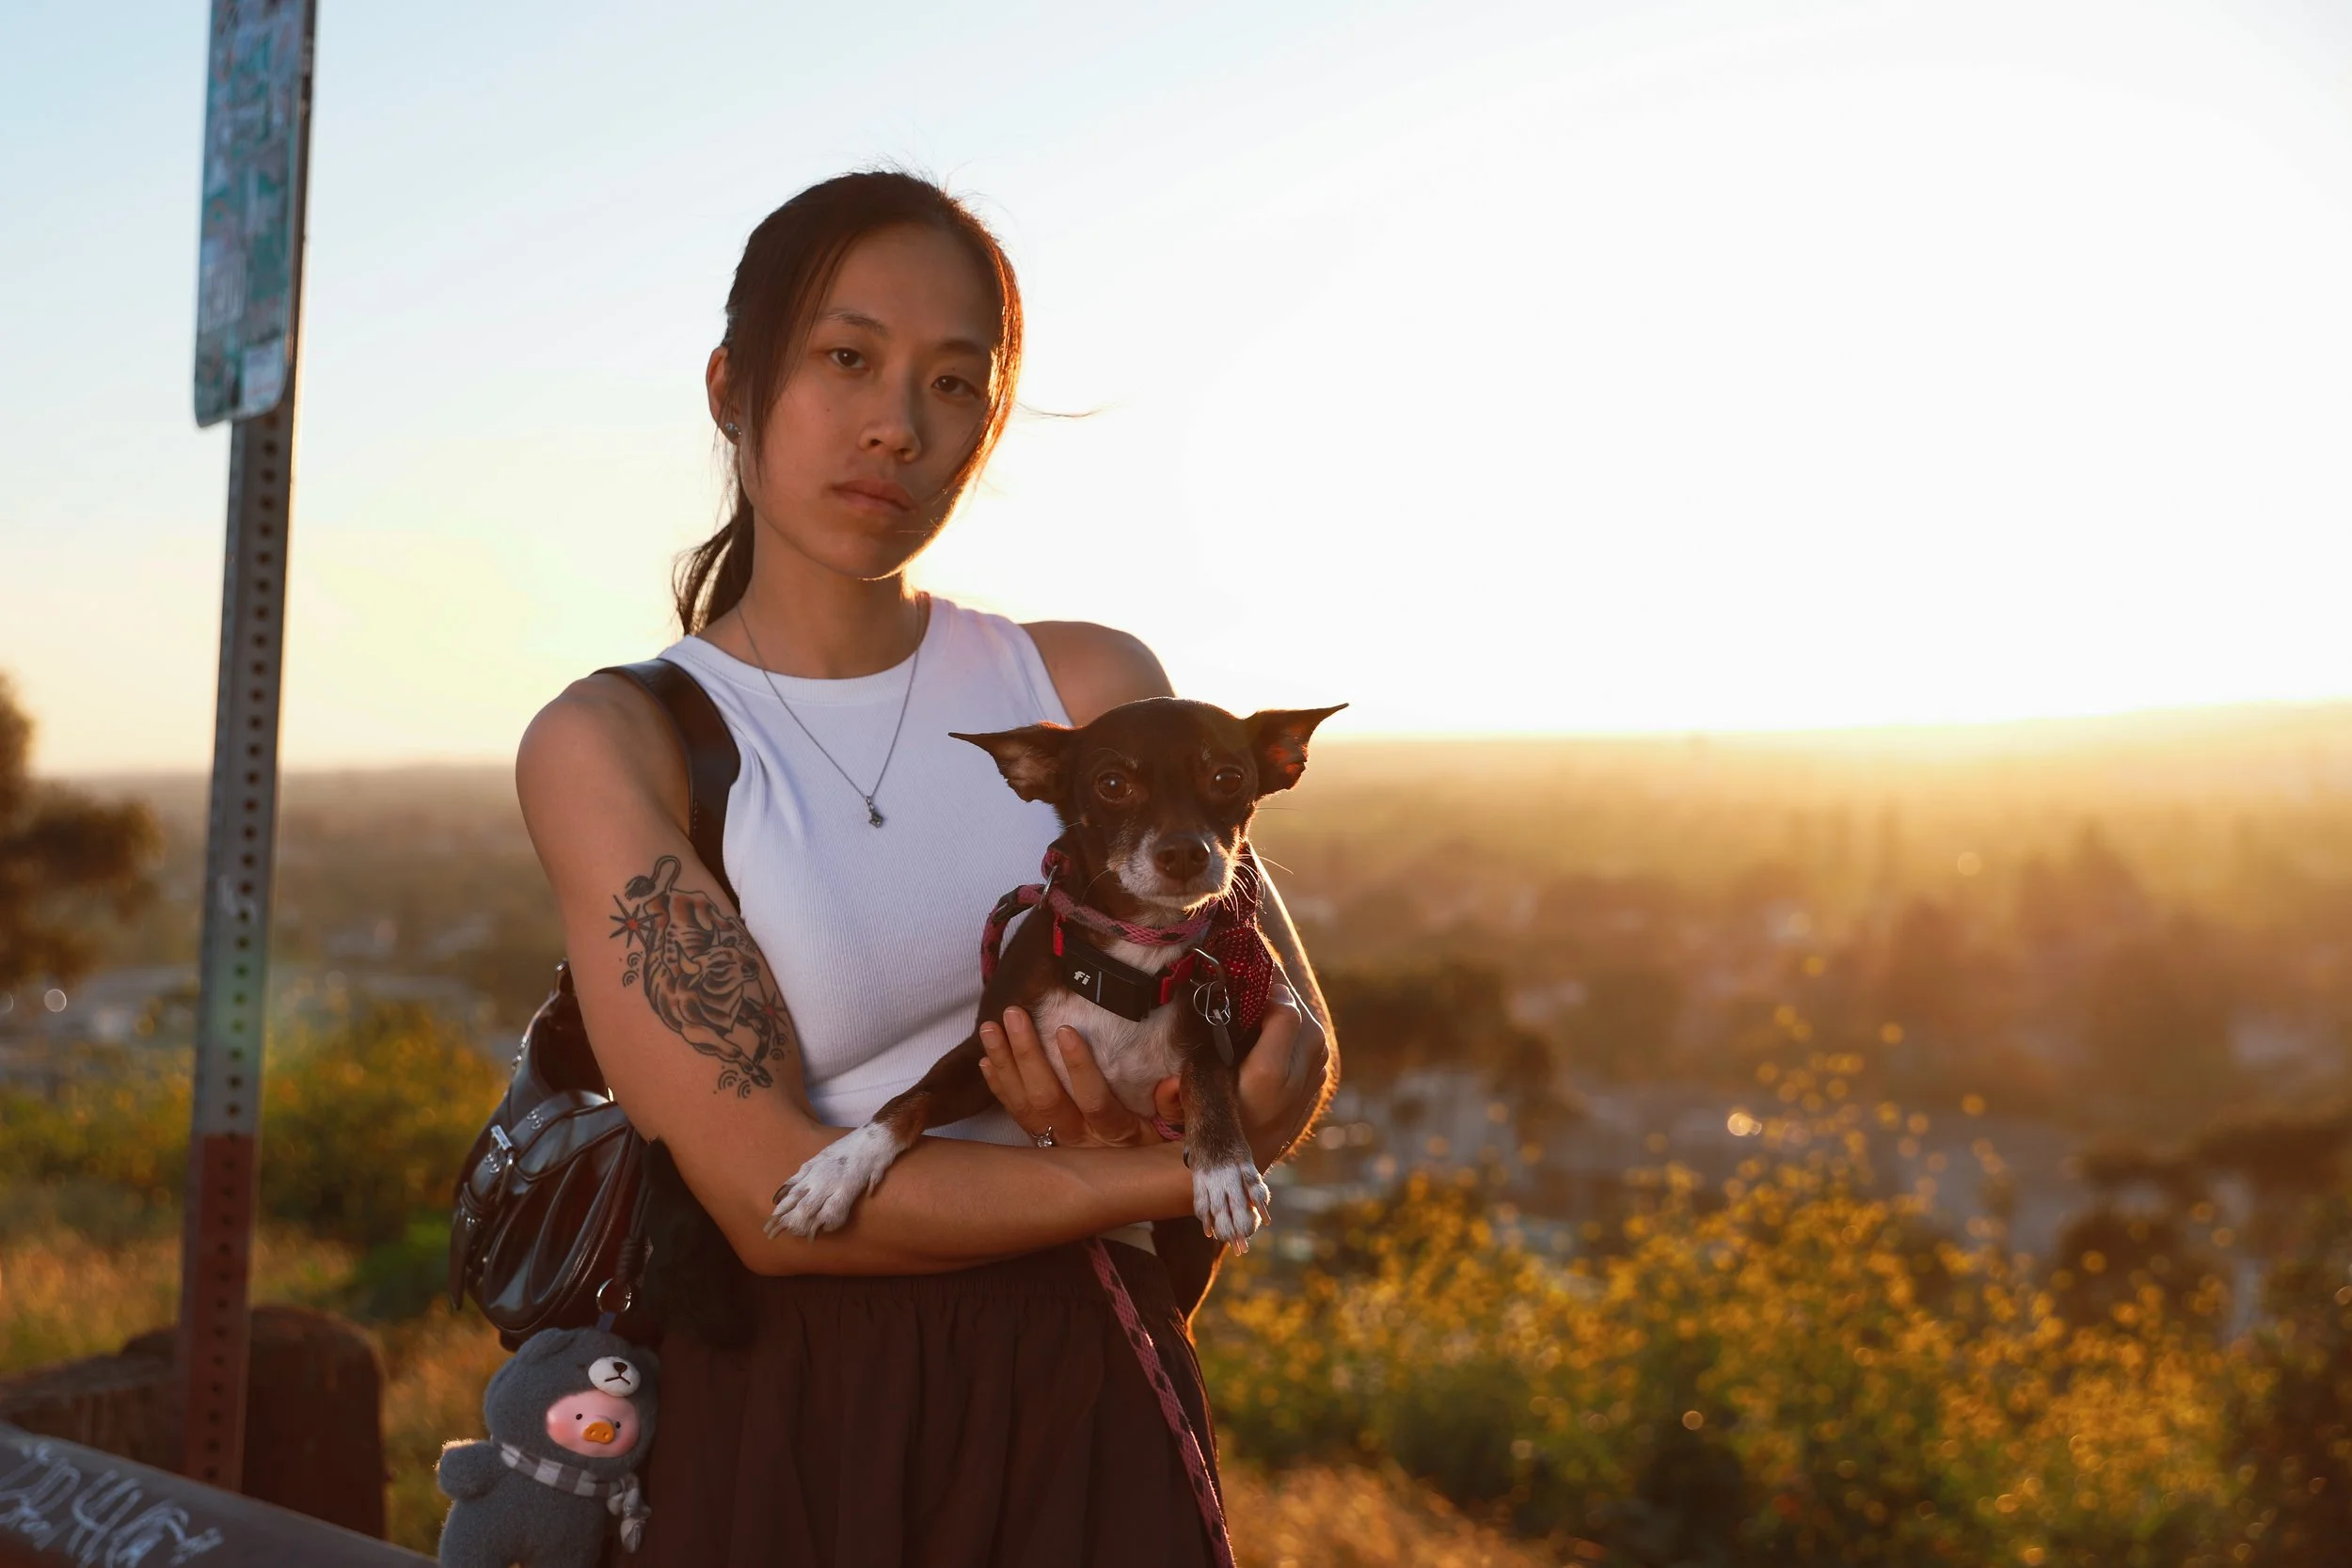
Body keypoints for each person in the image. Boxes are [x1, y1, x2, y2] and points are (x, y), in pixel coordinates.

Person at [515, 171, 1335, 1568]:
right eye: (847, 358)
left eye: (956, 384)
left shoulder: (1085, 689)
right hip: (796, 1416)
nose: (898, 423)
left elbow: (1284, 1052)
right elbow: (780, 1202)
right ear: (733, 383)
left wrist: (1191, 1135)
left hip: (1090, 1388)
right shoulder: (622, 741)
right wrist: (1150, 1173)